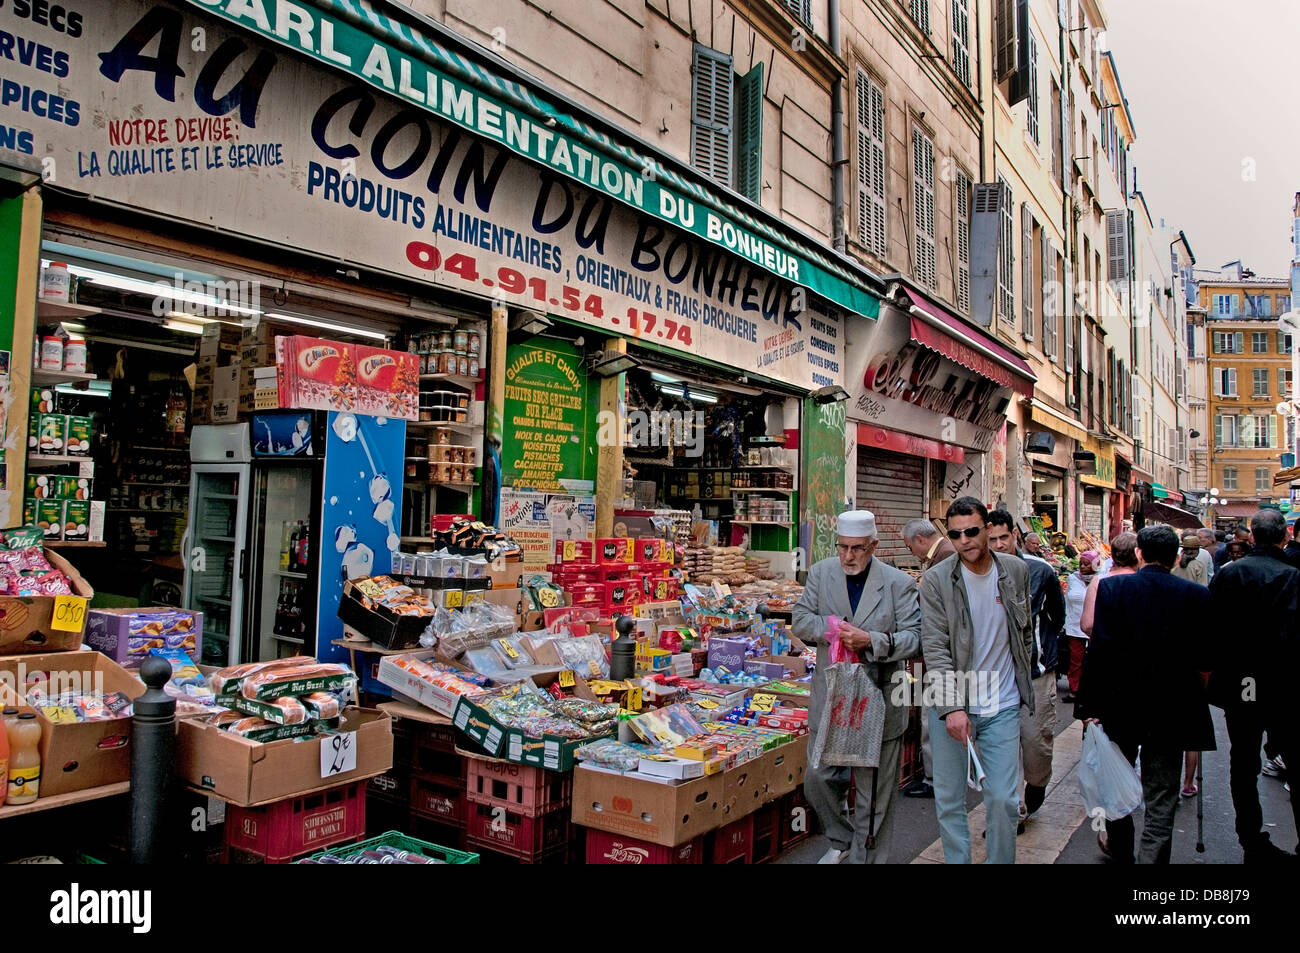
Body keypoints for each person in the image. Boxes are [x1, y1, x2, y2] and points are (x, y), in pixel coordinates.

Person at [1074, 525, 1215, 864]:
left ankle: (1121, 850)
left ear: (1139, 554)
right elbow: (1205, 658)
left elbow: (1101, 651)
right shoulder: (1195, 595)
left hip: (1120, 705)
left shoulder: (1113, 589)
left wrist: (1089, 705)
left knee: (1115, 781)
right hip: (1173, 708)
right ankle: (1151, 859)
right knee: (1162, 793)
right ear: (1176, 557)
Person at [793, 509, 923, 864]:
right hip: (833, 699)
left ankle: (870, 859)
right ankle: (842, 837)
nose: (849, 556)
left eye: (858, 549)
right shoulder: (822, 573)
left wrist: (872, 640)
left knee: (875, 796)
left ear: (874, 546)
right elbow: (801, 619)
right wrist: (832, 628)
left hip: (879, 699)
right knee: (819, 778)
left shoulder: (899, 583)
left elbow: (916, 638)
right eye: (843, 547)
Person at [920, 497, 1035, 864]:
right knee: (950, 800)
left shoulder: (1016, 570)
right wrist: (951, 707)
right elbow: (934, 648)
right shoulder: (937, 580)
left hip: (1002, 704)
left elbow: (1024, 631)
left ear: (988, 528)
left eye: (972, 531)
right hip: (953, 706)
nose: (965, 540)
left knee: (1003, 799)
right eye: (955, 534)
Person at [1207, 509, 1300, 863]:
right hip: (1286, 681)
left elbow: (1211, 626)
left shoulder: (1231, 575)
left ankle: (1251, 837)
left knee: (1243, 760)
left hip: (1244, 680)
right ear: (1284, 537)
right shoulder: (1294, 576)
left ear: (1252, 536)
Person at [987, 509, 1064, 824]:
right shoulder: (977, 572)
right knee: (998, 748)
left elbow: (1057, 617)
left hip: (1035, 674)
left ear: (1014, 535)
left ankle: (1036, 783)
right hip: (994, 676)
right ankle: (1011, 811)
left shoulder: (1040, 570)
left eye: (1004, 537)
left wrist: (1041, 650)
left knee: (1034, 743)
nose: (999, 544)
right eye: (991, 539)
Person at [899, 518, 955, 799]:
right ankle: (938, 774)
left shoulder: (945, 557)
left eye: (910, 547)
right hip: (937, 651)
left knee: (931, 714)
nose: (912, 553)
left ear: (921, 539)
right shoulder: (944, 555)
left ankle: (935, 778)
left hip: (935, 654)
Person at [1080, 534, 1138, 637]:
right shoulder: (1146, 581)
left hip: (1106, 648)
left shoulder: (1099, 581)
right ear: (1138, 554)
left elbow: (1087, 625)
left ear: (1113, 554)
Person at [1060, 552, 1099, 702]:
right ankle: (1074, 690)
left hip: (1094, 627)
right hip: (1075, 626)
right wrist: (1065, 623)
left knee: (1094, 660)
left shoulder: (1100, 579)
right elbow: (1067, 602)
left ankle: (1092, 690)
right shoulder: (1072, 578)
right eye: (1081, 563)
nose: (1082, 567)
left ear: (1095, 564)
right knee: (1076, 661)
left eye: (1086, 563)